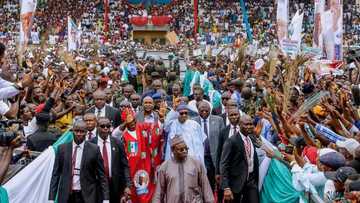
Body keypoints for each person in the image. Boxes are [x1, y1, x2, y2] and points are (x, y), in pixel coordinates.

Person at [49, 119, 110, 203]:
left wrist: (106, 198)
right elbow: (55, 174)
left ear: (86, 132)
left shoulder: (94, 149)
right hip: (66, 195)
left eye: (82, 131)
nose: (78, 134)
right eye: (76, 131)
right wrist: (51, 198)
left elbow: (102, 175)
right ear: (72, 131)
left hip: (86, 195)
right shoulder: (62, 149)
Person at [152, 135, 214, 203]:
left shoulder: (196, 164)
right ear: (173, 150)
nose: (184, 151)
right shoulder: (165, 167)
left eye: (186, 148)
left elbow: (206, 187)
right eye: (181, 149)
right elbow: (159, 192)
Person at [90, 117, 131, 203]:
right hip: (96, 186)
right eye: (102, 126)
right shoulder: (90, 144)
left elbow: (125, 166)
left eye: (108, 126)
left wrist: (127, 185)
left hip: (114, 186)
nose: (105, 128)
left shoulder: (117, 143)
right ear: (97, 127)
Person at [220, 115, 259, 203]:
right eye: (246, 124)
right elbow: (224, 164)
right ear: (240, 125)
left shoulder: (252, 138)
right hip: (236, 183)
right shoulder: (232, 141)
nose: (249, 127)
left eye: (251, 124)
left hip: (251, 182)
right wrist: (226, 187)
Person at [193, 101, 225, 191]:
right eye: (201, 110)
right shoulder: (192, 121)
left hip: (215, 156)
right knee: (202, 181)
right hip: (201, 156)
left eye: (206, 110)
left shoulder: (218, 120)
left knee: (214, 180)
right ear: (198, 110)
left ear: (210, 110)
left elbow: (223, 138)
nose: (204, 112)